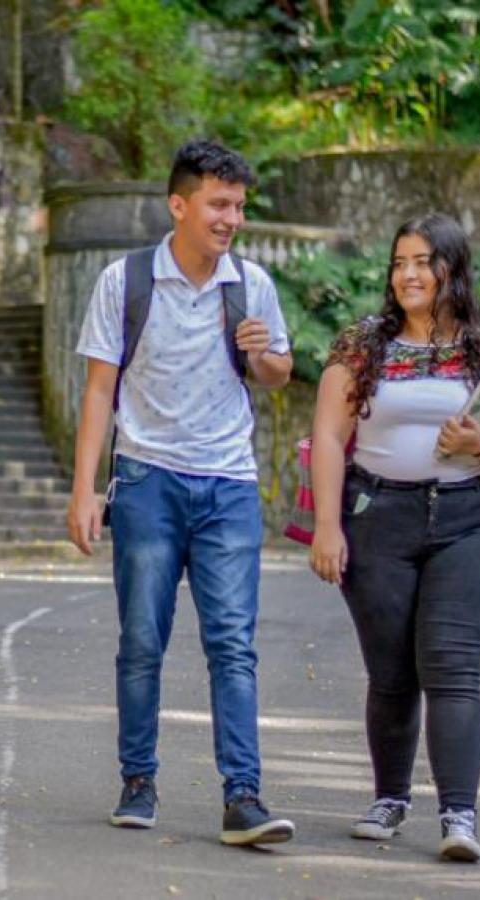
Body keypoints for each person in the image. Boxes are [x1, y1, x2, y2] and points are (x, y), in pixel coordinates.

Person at [66, 139, 296, 844]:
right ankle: (138, 781)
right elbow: (100, 389)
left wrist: (262, 355)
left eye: (238, 206)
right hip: (146, 482)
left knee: (232, 643)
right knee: (142, 639)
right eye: (218, 204)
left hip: (227, 484)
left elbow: (280, 373)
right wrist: (84, 491)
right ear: (180, 205)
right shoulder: (125, 281)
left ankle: (243, 795)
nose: (230, 219)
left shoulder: (251, 284)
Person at [310, 212, 480, 863]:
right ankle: (390, 798)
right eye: (398, 262)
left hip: (468, 521)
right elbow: (328, 435)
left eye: (422, 262)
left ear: (451, 269)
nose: (408, 274)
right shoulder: (362, 344)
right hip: (377, 517)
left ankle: (459, 817)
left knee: (451, 666)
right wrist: (328, 526)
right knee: (390, 673)